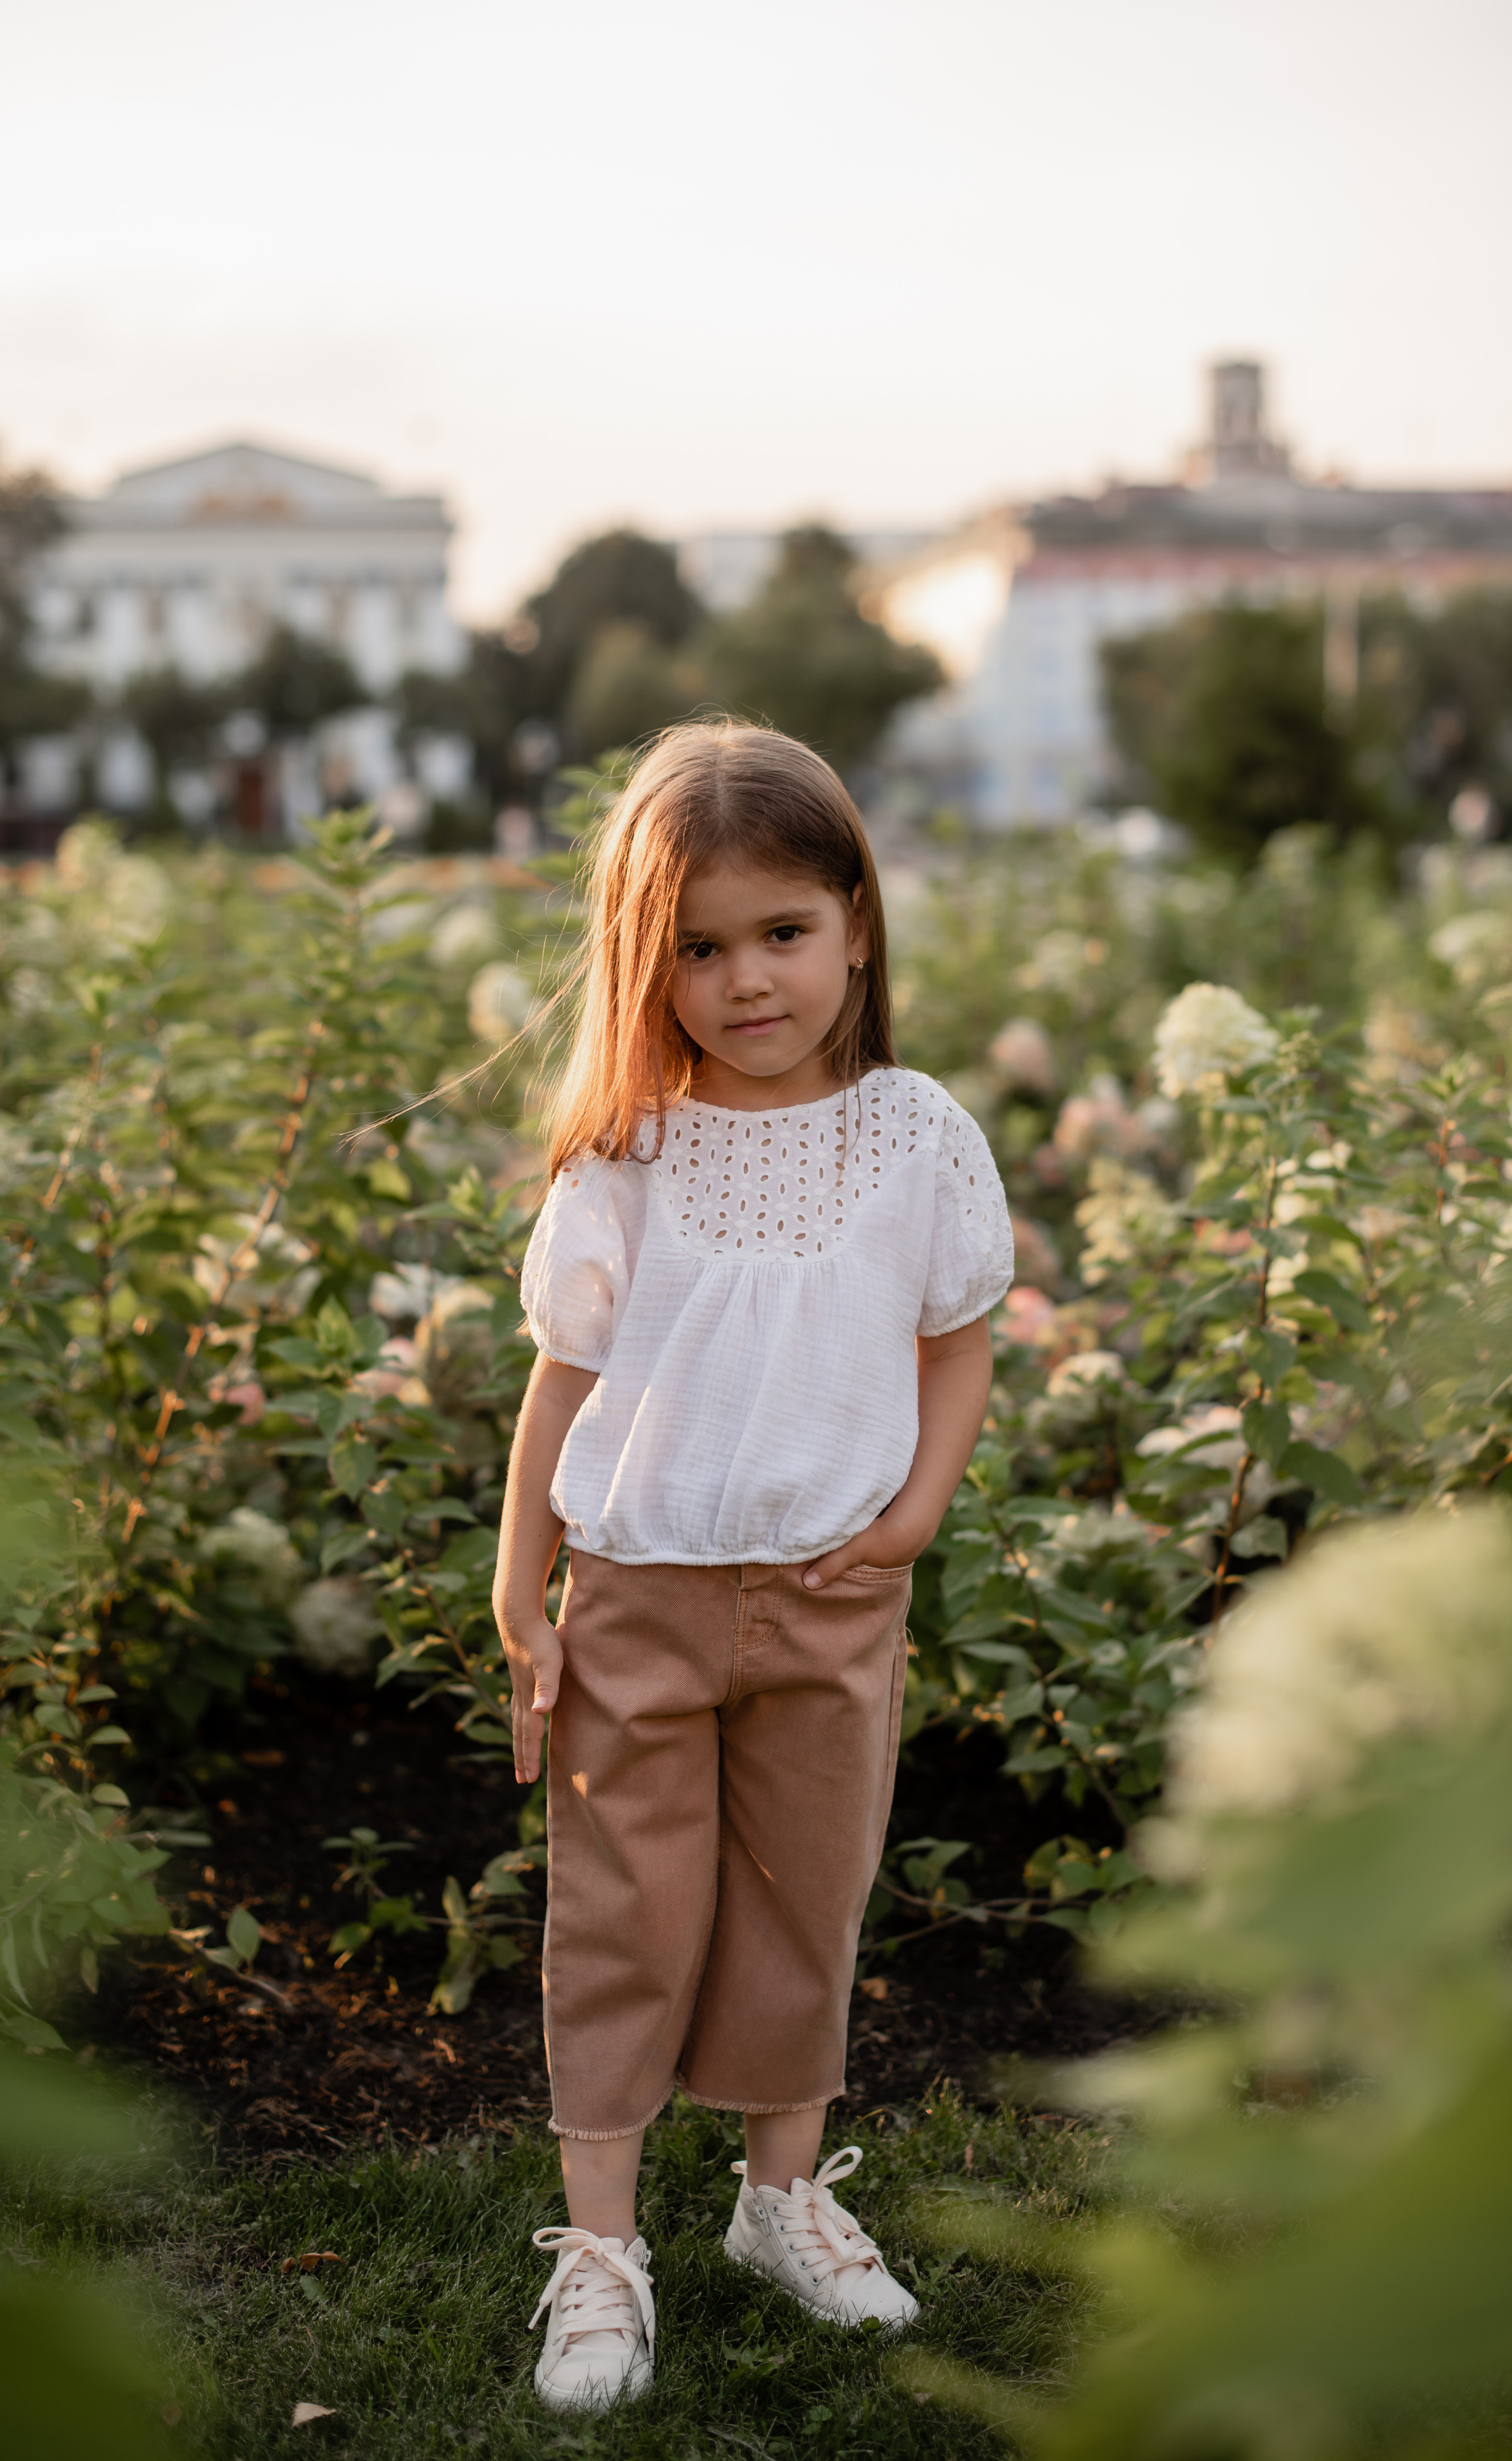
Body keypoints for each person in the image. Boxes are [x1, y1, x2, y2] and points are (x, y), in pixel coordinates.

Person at [494, 721, 1013, 2410]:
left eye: (780, 931)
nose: (745, 978)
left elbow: (962, 1330)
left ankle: (781, 2198)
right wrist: (523, 1587)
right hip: (638, 1588)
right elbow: (563, 1378)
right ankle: (599, 2244)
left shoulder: (913, 1134)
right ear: (653, 963)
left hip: (834, 1587)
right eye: (699, 948)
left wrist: (918, 1507)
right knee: (628, 1910)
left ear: (855, 920)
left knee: (808, 1891)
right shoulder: (627, 1154)